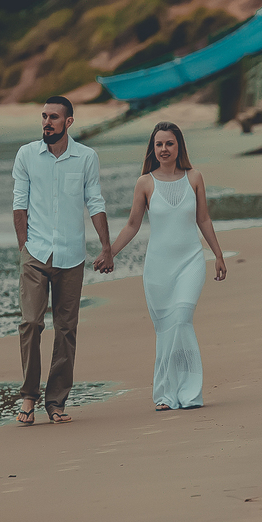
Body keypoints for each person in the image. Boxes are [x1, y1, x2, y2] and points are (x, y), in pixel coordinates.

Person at [110, 122, 226, 410]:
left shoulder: (195, 177)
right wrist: (109, 253)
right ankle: (165, 395)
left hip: (190, 262)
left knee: (182, 318)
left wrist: (219, 255)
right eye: (159, 144)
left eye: (169, 143)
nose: (163, 149)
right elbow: (133, 225)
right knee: (166, 329)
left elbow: (204, 219)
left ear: (179, 147)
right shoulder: (145, 183)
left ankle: (189, 393)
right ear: (153, 148)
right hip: (158, 269)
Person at [12, 96, 113, 425]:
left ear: (68, 122)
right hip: (36, 252)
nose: (47, 122)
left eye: (54, 117)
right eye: (44, 116)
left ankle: (56, 401)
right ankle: (29, 395)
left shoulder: (86, 158)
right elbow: (19, 205)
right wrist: (23, 247)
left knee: (66, 329)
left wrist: (106, 247)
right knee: (30, 323)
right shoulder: (27, 155)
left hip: (71, 256)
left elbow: (95, 202)